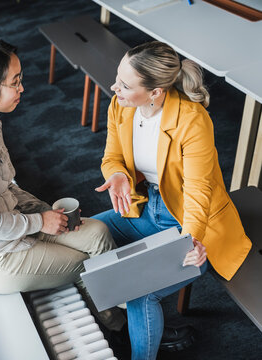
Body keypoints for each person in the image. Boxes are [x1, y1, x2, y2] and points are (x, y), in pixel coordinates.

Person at [0, 37, 124, 330]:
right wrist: (40, 221)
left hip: (14, 224)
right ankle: (123, 325)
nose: (22, 88)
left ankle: (122, 316)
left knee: (98, 233)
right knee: (88, 263)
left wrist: (48, 214)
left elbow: (8, 187)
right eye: (15, 82)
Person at [92, 41, 252, 360]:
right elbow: (111, 156)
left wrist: (189, 240)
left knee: (141, 293)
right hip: (145, 207)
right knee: (87, 232)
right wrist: (119, 174)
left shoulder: (192, 120)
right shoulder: (119, 106)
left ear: (156, 92)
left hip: (188, 222)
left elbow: (197, 191)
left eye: (125, 84)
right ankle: (128, 326)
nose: (114, 88)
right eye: (117, 78)